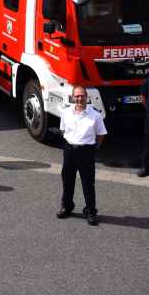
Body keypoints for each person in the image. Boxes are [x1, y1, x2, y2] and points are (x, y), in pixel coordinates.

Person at [57, 86, 107, 226]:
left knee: (88, 183)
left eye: (82, 96)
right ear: (73, 98)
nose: (79, 99)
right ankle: (67, 206)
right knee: (67, 180)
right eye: (77, 96)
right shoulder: (66, 113)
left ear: (87, 97)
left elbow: (101, 134)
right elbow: (63, 130)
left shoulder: (95, 115)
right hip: (69, 150)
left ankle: (90, 211)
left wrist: (92, 147)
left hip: (86, 151)